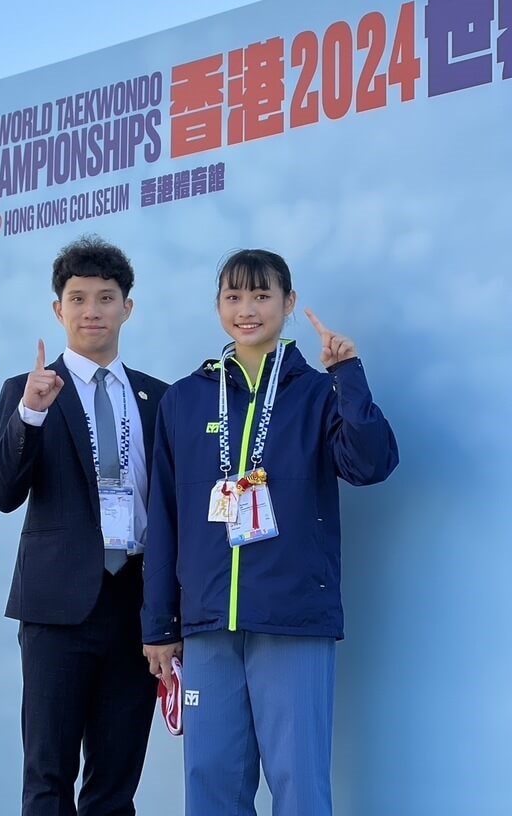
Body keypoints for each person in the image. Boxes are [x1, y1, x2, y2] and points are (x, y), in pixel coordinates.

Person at [141, 248, 398, 816]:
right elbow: (163, 519)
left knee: (299, 784)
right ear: (218, 307)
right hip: (208, 622)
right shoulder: (185, 399)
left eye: (261, 296)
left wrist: (348, 377)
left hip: (292, 618)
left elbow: (370, 464)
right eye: (234, 297)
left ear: (289, 303)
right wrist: (159, 624)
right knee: (210, 785)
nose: (247, 309)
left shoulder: (315, 393)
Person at [0, 235, 168, 816]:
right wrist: (31, 414)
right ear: (57, 309)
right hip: (57, 610)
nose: (93, 310)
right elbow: (2, 493)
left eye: (106, 298)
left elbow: (169, 507)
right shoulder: (27, 391)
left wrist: (170, 611)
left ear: (127, 308)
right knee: (48, 778)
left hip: (137, 610)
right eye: (78, 297)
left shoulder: (159, 398)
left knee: (115, 784)